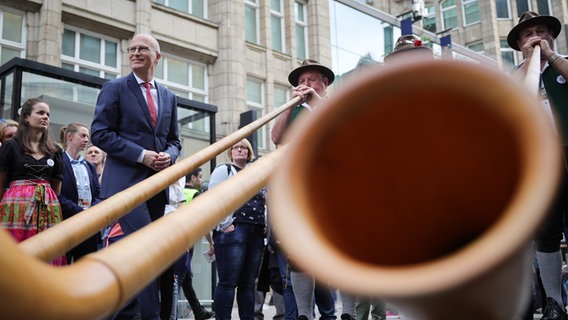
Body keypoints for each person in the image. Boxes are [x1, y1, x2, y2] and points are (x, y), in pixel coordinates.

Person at [91, 33, 182, 320]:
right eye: (132, 49)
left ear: (158, 56)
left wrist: (170, 154)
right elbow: (100, 133)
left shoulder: (169, 96)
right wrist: (141, 155)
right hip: (124, 185)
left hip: (157, 186)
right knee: (146, 250)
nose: (135, 52)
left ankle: (121, 313)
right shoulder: (114, 88)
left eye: (143, 48)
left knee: (146, 255)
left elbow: (175, 140)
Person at [270, 59, 349, 320]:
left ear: (324, 83)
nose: (305, 85)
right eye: (301, 81)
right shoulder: (293, 108)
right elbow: (276, 139)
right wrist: (287, 108)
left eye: (311, 80)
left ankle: (347, 313)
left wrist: (315, 100)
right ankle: (305, 314)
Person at [507, 11, 568, 320]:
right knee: (546, 232)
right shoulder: (516, 76)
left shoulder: (563, 63)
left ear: (551, 37)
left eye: (540, 31)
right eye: (527, 34)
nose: (534, 37)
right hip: (542, 164)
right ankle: (555, 303)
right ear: (519, 44)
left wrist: (551, 57)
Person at [0, 98, 65, 266]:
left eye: (48, 114)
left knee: (48, 248)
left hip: (48, 206)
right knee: (16, 250)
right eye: (40, 113)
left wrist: (44, 197)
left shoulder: (55, 150)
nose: (45, 117)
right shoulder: (11, 146)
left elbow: (57, 187)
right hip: (15, 207)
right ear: (27, 117)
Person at [209, 138, 266, 319]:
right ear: (230, 152)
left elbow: (266, 201)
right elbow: (214, 199)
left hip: (256, 232)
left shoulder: (256, 174)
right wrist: (226, 225)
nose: (240, 150)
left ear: (249, 152)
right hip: (234, 230)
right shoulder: (223, 170)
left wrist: (264, 226)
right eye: (236, 147)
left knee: (248, 284)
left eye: (244, 147)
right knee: (227, 283)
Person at [172, 167, 214, 320]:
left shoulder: (177, 192)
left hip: (174, 238)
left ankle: (198, 311)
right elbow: (202, 222)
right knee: (181, 277)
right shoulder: (195, 194)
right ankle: (171, 313)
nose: (202, 180)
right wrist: (211, 242)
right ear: (193, 178)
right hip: (186, 241)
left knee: (185, 278)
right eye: (200, 177)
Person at [58, 123, 101, 263]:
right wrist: (79, 211)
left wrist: (92, 211)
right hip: (66, 223)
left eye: (87, 136)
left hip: (88, 225)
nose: (86, 139)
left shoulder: (89, 166)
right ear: (69, 137)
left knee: (85, 266)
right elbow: (56, 194)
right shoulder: (59, 161)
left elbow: (98, 194)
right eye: (82, 135)